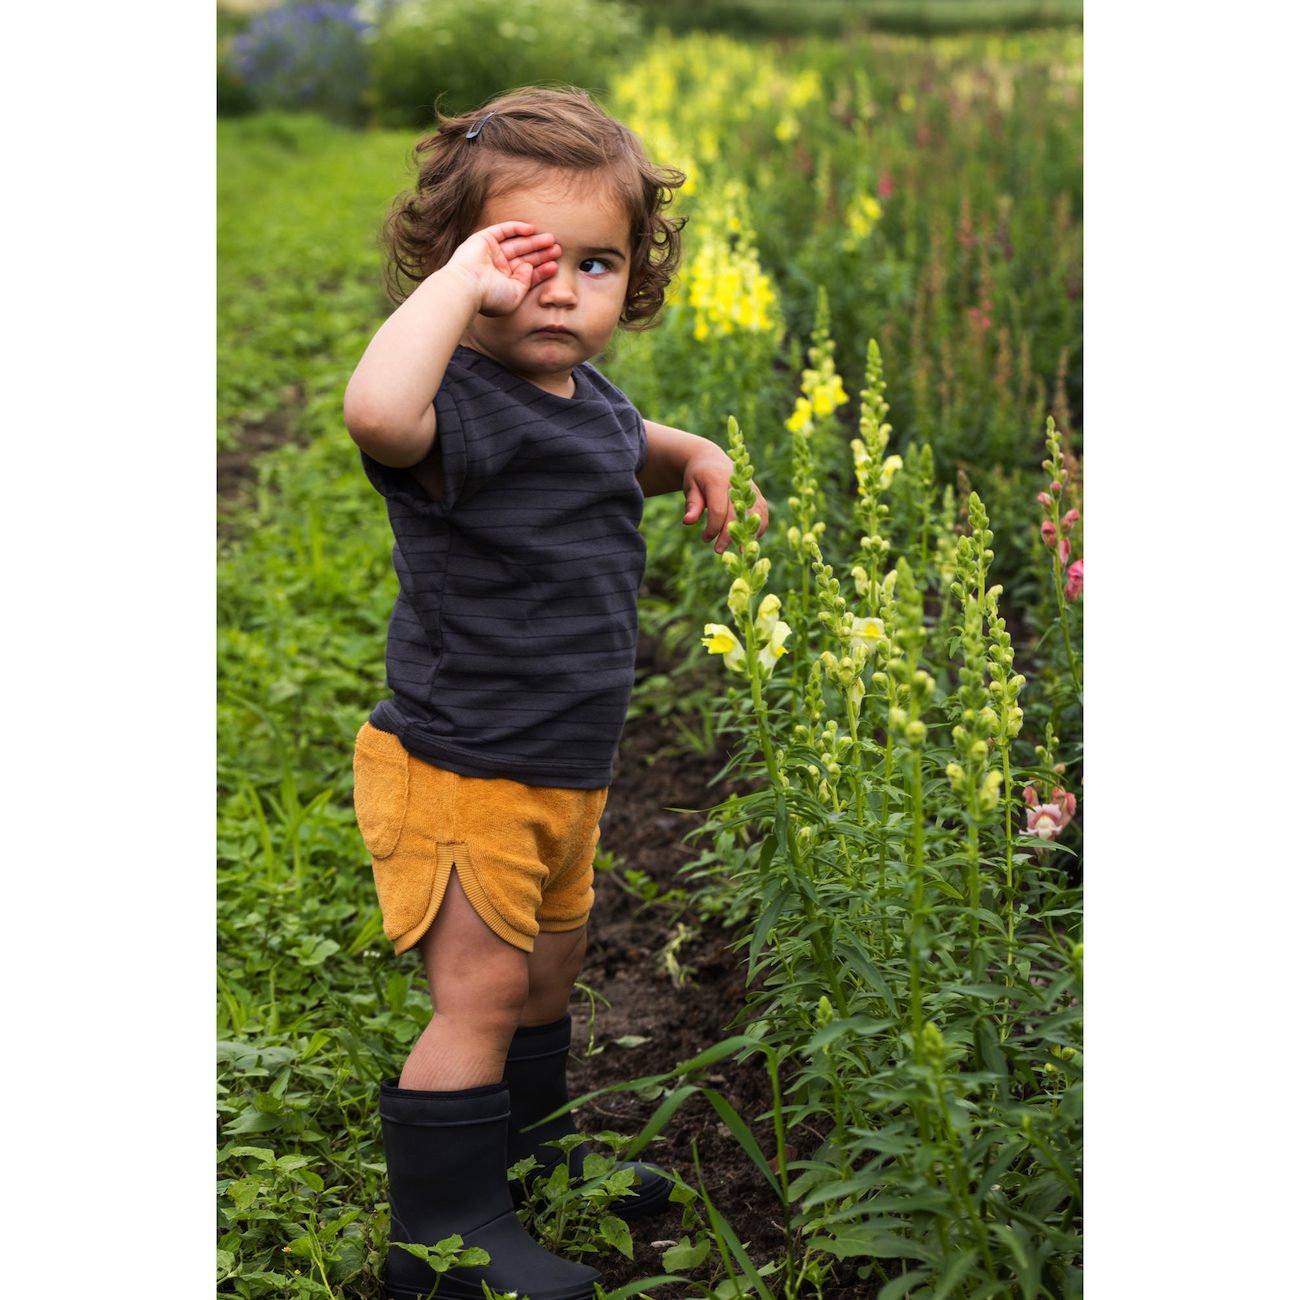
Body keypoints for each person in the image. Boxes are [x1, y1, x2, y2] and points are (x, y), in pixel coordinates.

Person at [343, 86, 768, 1300]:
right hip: (462, 765)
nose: (563, 288)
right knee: (476, 997)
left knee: (545, 976)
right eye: (522, 259)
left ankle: (531, 1152)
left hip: (559, 767)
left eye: (596, 262)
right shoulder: (448, 411)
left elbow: (613, 447)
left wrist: (688, 452)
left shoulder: (586, 400)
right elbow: (374, 409)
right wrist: (460, 288)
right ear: (456, 273)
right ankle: (445, 1243)